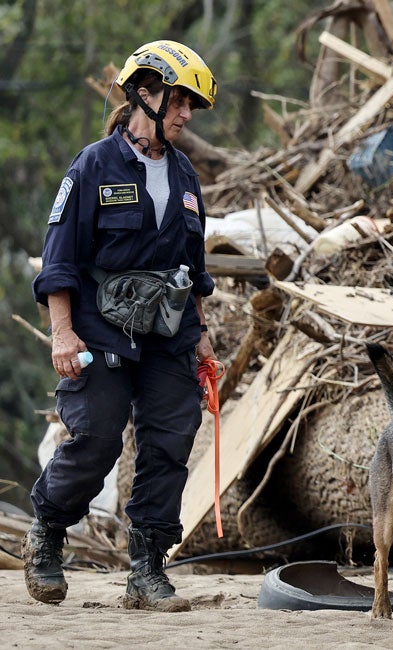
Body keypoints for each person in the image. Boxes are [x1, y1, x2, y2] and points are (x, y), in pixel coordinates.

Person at [27, 40, 219, 612]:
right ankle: (49, 530)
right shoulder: (91, 166)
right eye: (180, 101)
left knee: (169, 443)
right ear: (145, 92)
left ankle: (147, 568)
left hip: (169, 336)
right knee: (98, 437)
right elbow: (58, 260)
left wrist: (202, 336)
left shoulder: (185, 176)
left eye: (191, 105)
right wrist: (63, 334)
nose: (186, 114)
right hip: (100, 333)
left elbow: (194, 271)